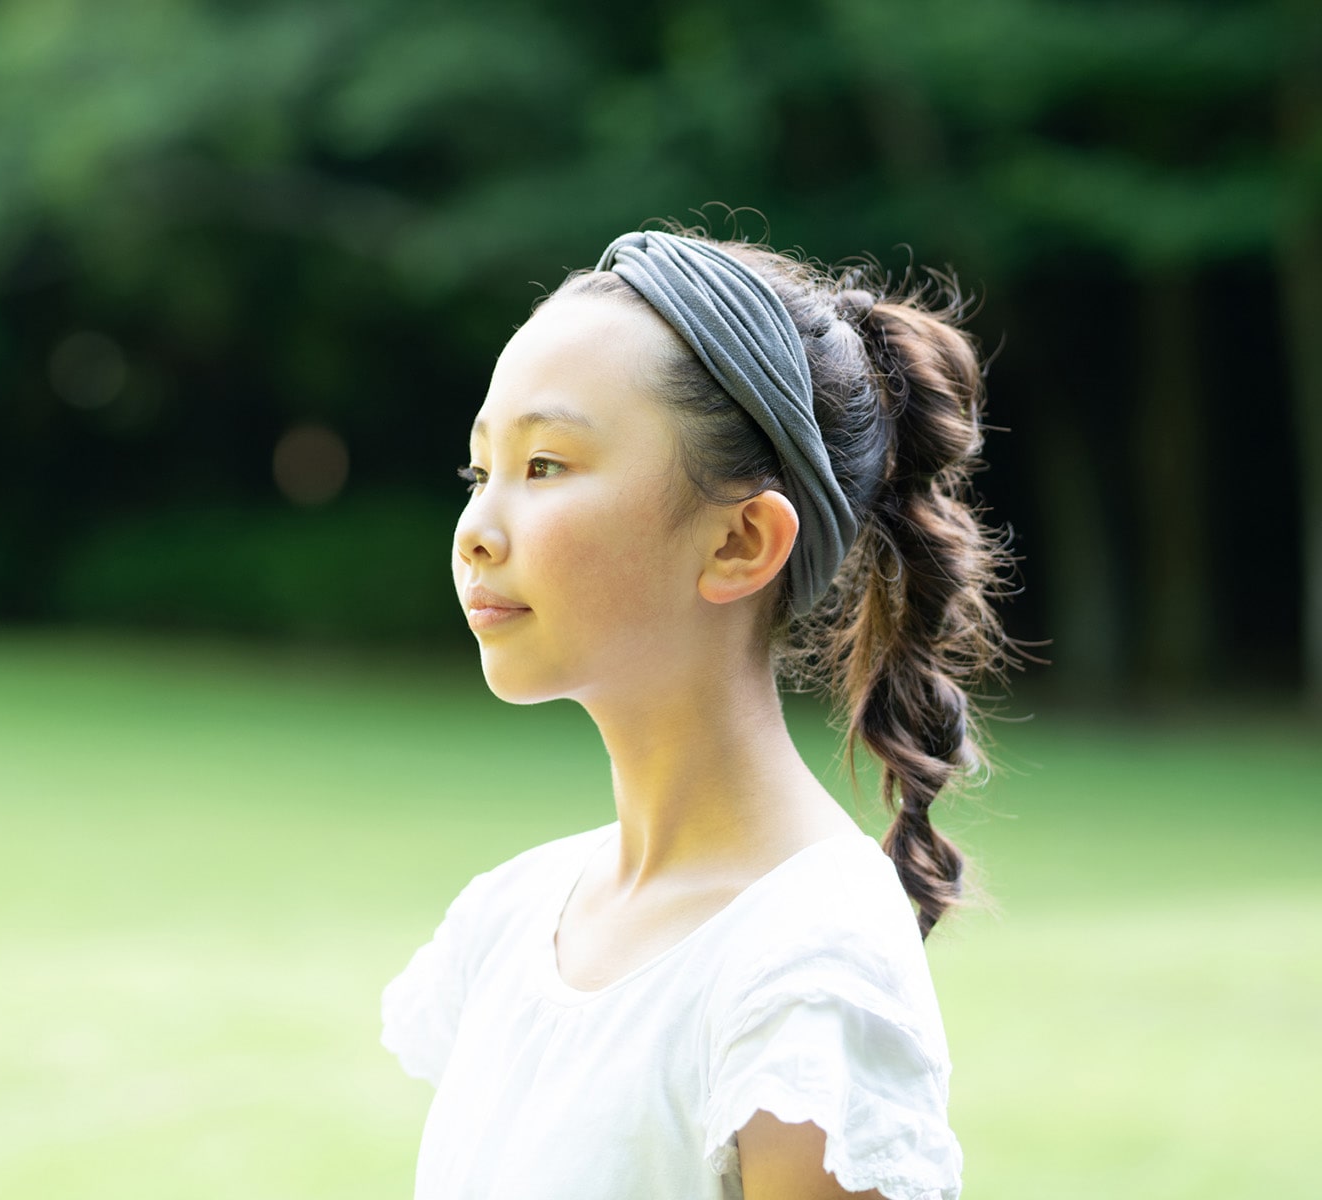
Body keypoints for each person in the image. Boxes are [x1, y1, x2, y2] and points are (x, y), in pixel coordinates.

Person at [379, 225, 1016, 1200]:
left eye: (545, 465)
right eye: (480, 472)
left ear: (740, 541)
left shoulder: (806, 970)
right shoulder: (509, 921)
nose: (476, 530)